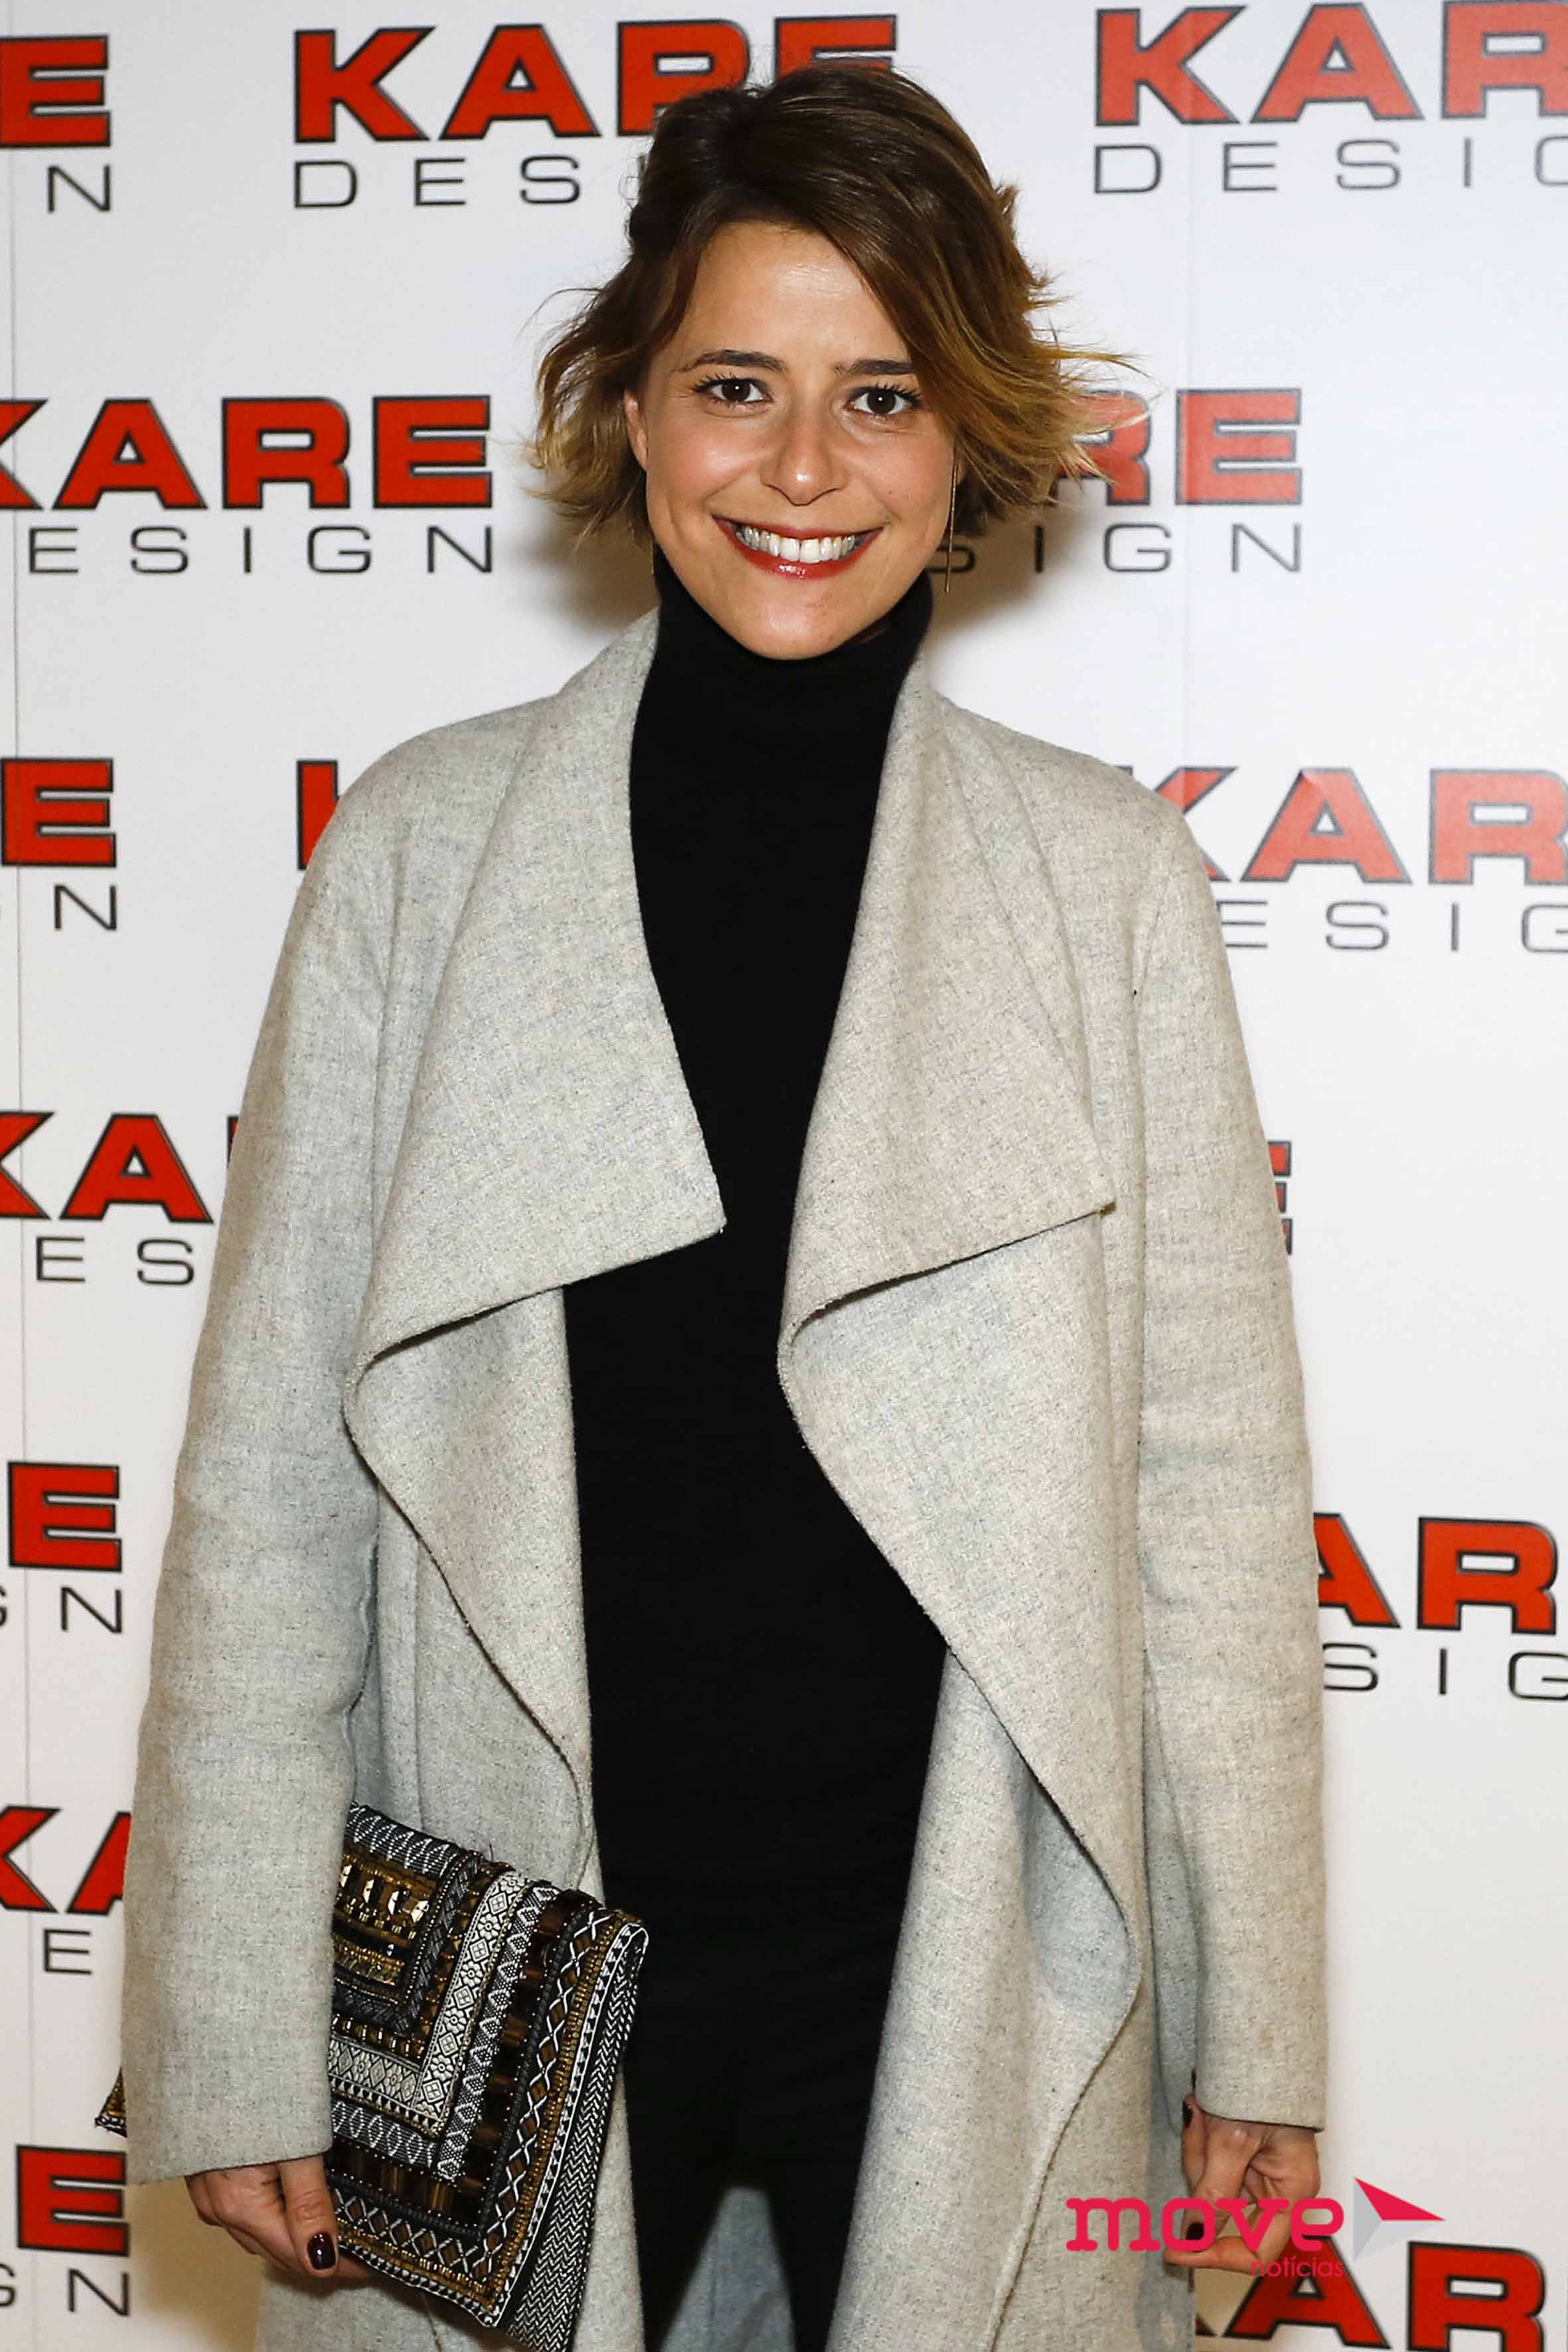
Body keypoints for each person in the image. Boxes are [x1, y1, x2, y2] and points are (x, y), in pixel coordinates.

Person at [118, 61, 1328, 2352]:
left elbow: (1209, 1503)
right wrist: (240, 2022)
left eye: (880, 394)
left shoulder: (1103, 882)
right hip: (504, 1941)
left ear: (966, 438)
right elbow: (273, 1488)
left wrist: (1256, 2026)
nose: (799, 469)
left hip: (969, 1949)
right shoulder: (422, 852)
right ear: (630, 409)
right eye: (734, 386)